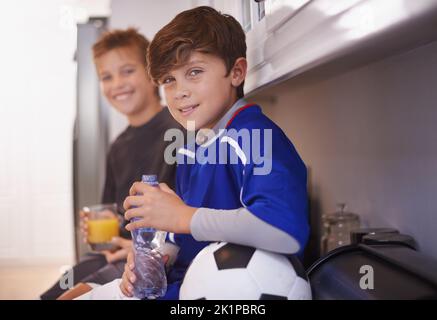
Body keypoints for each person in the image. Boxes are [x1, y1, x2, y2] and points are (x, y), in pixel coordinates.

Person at [77, 6, 309, 300]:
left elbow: (285, 231)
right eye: (168, 80)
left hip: (207, 292)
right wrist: (157, 259)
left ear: (236, 72)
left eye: (194, 72)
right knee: (73, 293)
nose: (179, 91)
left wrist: (184, 217)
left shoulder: (253, 137)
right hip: (177, 284)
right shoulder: (190, 145)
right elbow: (182, 230)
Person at [40, 28, 182, 300]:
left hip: (152, 260)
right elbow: (118, 215)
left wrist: (138, 248)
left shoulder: (178, 131)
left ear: (152, 74)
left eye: (127, 71)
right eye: (106, 77)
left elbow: (180, 216)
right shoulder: (118, 146)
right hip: (115, 254)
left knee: (69, 296)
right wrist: (105, 223)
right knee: (52, 293)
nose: (117, 83)